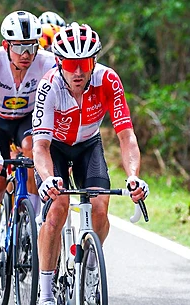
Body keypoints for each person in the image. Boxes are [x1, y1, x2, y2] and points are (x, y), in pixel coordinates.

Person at [33, 22, 150, 305]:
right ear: (59, 62)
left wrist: (134, 177)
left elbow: (126, 136)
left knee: (99, 208)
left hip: (88, 145)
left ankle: (90, 268)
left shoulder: (108, 80)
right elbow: (40, 146)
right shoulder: (48, 86)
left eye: (84, 63)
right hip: (56, 147)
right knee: (58, 208)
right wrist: (48, 178)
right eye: (71, 64)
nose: (78, 71)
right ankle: (46, 292)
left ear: (93, 61)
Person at [0, 10, 55, 297]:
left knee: (33, 150)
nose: (26, 53)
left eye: (32, 46)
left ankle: (29, 221)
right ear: (6, 46)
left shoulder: (47, 62)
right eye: (19, 47)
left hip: (28, 120)